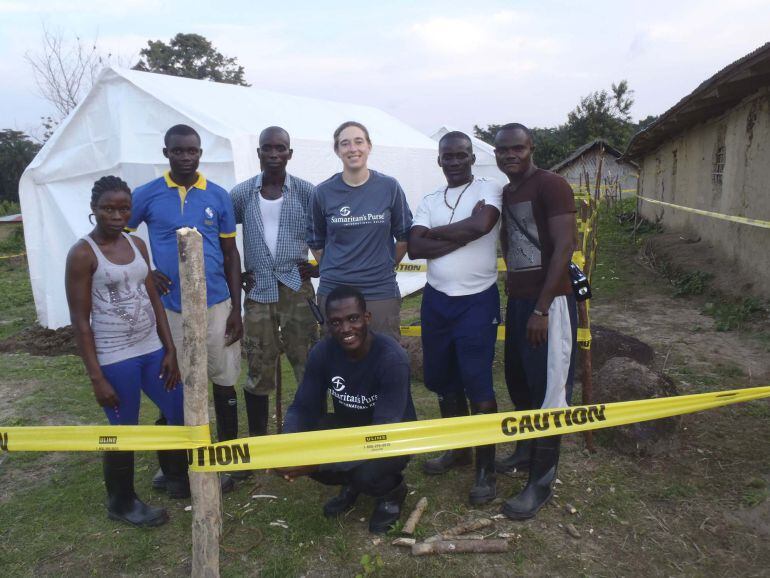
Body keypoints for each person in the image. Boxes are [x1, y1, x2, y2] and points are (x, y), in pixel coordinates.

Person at [126, 124, 244, 491]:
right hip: (171, 310)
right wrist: (148, 271)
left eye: (192, 151)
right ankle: (175, 466)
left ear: (199, 153)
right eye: (178, 151)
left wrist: (236, 310)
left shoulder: (219, 196)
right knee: (174, 382)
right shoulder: (147, 194)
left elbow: (229, 253)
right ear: (166, 153)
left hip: (216, 304)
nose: (186, 157)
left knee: (223, 380)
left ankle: (228, 461)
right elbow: (121, 238)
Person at [65, 176, 185, 527]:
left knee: (177, 405)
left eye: (124, 208)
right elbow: (80, 321)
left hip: (151, 348)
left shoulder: (137, 244)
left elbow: (154, 299)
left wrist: (170, 348)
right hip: (115, 356)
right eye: (109, 208)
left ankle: (173, 475)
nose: (117, 215)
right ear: (94, 210)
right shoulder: (83, 253)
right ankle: (121, 501)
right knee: (124, 428)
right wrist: (96, 377)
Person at [407, 131, 503, 505]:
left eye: (462, 155)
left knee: (478, 384)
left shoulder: (488, 189)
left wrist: (439, 236)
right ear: (439, 160)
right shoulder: (430, 198)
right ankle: (458, 448)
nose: (455, 161)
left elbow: (483, 226)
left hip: (476, 301)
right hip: (437, 302)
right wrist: (461, 234)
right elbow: (415, 247)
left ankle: (485, 469)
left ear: (471, 157)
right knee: (442, 380)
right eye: (448, 156)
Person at [275, 285, 415, 534]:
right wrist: (288, 447)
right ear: (328, 325)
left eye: (353, 319)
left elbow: (381, 435)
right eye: (336, 322)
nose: (346, 329)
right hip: (350, 428)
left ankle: (392, 492)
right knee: (312, 445)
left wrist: (315, 464)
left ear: (367, 318)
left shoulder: (391, 358)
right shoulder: (322, 352)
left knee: (367, 471)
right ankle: (352, 483)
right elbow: (302, 407)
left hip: (392, 437)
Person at [493, 123, 578, 520]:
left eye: (517, 148)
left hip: (551, 304)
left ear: (531, 148)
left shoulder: (551, 185)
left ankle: (540, 482)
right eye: (503, 150)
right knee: (520, 380)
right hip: (521, 302)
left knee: (548, 391)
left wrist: (543, 309)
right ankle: (526, 451)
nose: (510, 155)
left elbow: (565, 246)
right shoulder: (508, 192)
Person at [230, 126, 318, 439]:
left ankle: (311, 432)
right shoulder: (242, 194)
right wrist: (237, 272)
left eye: (280, 148)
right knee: (258, 363)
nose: (273, 154)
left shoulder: (307, 192)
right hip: (258, 289)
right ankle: (259, 439)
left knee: (307, 359)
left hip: (296, 286)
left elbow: (328, 232)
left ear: (289, 153)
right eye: (267, 148)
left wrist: (317, 266)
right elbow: (224, 237)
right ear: (258, 153)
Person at [307, 121, 413, 338]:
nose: (352, 148)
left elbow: (403, 236)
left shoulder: (389, 187)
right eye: (345, 144)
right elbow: (316, 242)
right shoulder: (322, 192)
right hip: (335, 291)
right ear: (337, 150)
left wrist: (385, 265)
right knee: (338, 359)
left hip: (380, 289)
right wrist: (335, 267)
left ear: (369, 146)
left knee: (384, 355)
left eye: (358, 142)